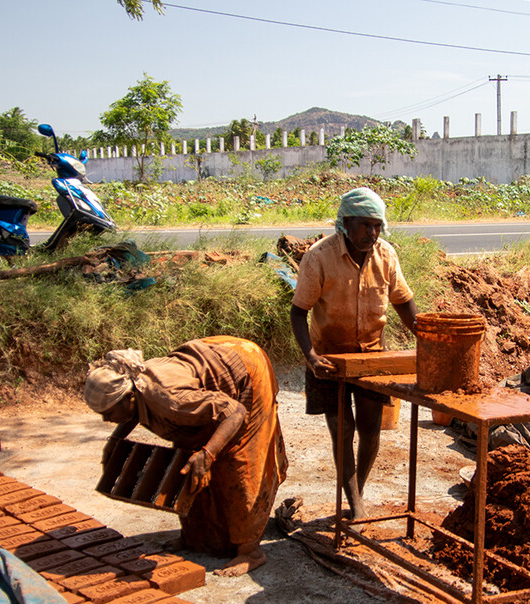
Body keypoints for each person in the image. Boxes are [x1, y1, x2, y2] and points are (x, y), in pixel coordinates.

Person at [83, 336, 287, 576]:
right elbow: (133, 411)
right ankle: (195, 538)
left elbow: (234, 412)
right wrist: (116, 441)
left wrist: (209, 453)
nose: (106, 420)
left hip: (246, 370)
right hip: (210, 365)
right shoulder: (137, 389)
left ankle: (250, 551)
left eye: (108, 413)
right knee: (187, 464)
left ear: (130, 397)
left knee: (240, 464)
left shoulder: (172, 401)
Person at [290, 187, 418, 522]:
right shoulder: (319, 257)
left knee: (371, 430)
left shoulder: (386, 255)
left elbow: (402, 302)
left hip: (372, 355)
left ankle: (355, 491)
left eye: (377, 226)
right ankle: (356, 504)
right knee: (342, 430)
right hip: (329, 358)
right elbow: (298, 312)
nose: (372, 233)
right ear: (346, 223)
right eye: (364, 225)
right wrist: (311, 356)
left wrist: (426, 337)